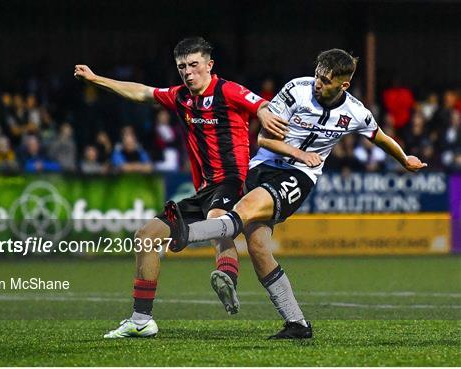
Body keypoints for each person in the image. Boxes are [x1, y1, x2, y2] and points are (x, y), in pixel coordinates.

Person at [164, 49, 427, 339]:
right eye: (317, 75)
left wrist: (404, 159)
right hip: (263, 166)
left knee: (246, 209)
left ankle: (187, 233)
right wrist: (298, 152)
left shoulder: (354, 112)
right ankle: (297, 324)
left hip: (299, 176)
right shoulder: (295, 91)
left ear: (344, 85)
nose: (317, 83)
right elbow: (263, 137)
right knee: (258, 247)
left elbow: (379, 136)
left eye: (325, 80)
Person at [74, 37, 287, 338]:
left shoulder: (227, 90)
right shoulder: (180, 97)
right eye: (182, 67)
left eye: (194, 65)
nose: (188, 73)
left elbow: (260, 104)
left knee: (217, 221)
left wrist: (265, 112)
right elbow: (141, 92)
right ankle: (140, 320)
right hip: (202, 190)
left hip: (233, 181)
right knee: (146, 236)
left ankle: (226, 277)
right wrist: (96, 79)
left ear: (210, 65)